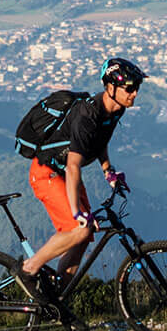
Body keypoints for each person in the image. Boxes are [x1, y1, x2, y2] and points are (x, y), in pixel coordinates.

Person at [20, 56, 145, 300]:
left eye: (136, 88)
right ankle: (28, 269)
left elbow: (100, 143)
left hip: (63, 174)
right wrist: (78, 212)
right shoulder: (87, 115)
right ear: (111, 88)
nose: (134, 94)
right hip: (48, 173)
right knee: (79, 229)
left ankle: (56, 300)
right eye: (129, 88)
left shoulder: (115, 110)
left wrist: (109, 171)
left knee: (85, 236)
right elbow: (73, 166)